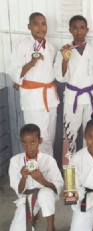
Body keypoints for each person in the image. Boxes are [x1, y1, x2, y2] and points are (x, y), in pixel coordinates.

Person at [8, 12, 59, 156]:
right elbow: (14, 71)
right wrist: (31, 63)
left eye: (43, 24)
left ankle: (49, 169)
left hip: (49, 96)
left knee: (51, 135)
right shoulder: (22, 46)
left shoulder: (51, 47)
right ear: (29, 26)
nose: (40, 28)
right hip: (32, 98)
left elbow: (54, 71)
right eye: (36, 24)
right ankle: (42, 171)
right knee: (39, 137)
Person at [54, 15, 93, 163]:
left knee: (92, 134)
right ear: (70, 30)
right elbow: (61, 78)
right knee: (70, 135)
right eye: (75, 28)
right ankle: (70, 173)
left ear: (87, 30)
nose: (79, 31)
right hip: (72, 97)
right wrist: (65, 60)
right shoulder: (64, 51)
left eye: (82, 28)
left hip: (91, 97)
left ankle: (90, 167)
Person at [8, 124, 64, 231]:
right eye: (25, 143)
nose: (29, 147)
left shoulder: (48, 160)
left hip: (45, 195)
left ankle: (50, 230)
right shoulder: (15, 161)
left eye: (33, 142)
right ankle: (33, 213)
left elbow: (57, 187)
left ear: (40, 141)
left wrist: (42, 180)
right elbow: (18, 190)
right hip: (28, 198)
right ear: (21, 143)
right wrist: (23, 178)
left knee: (45, 194)